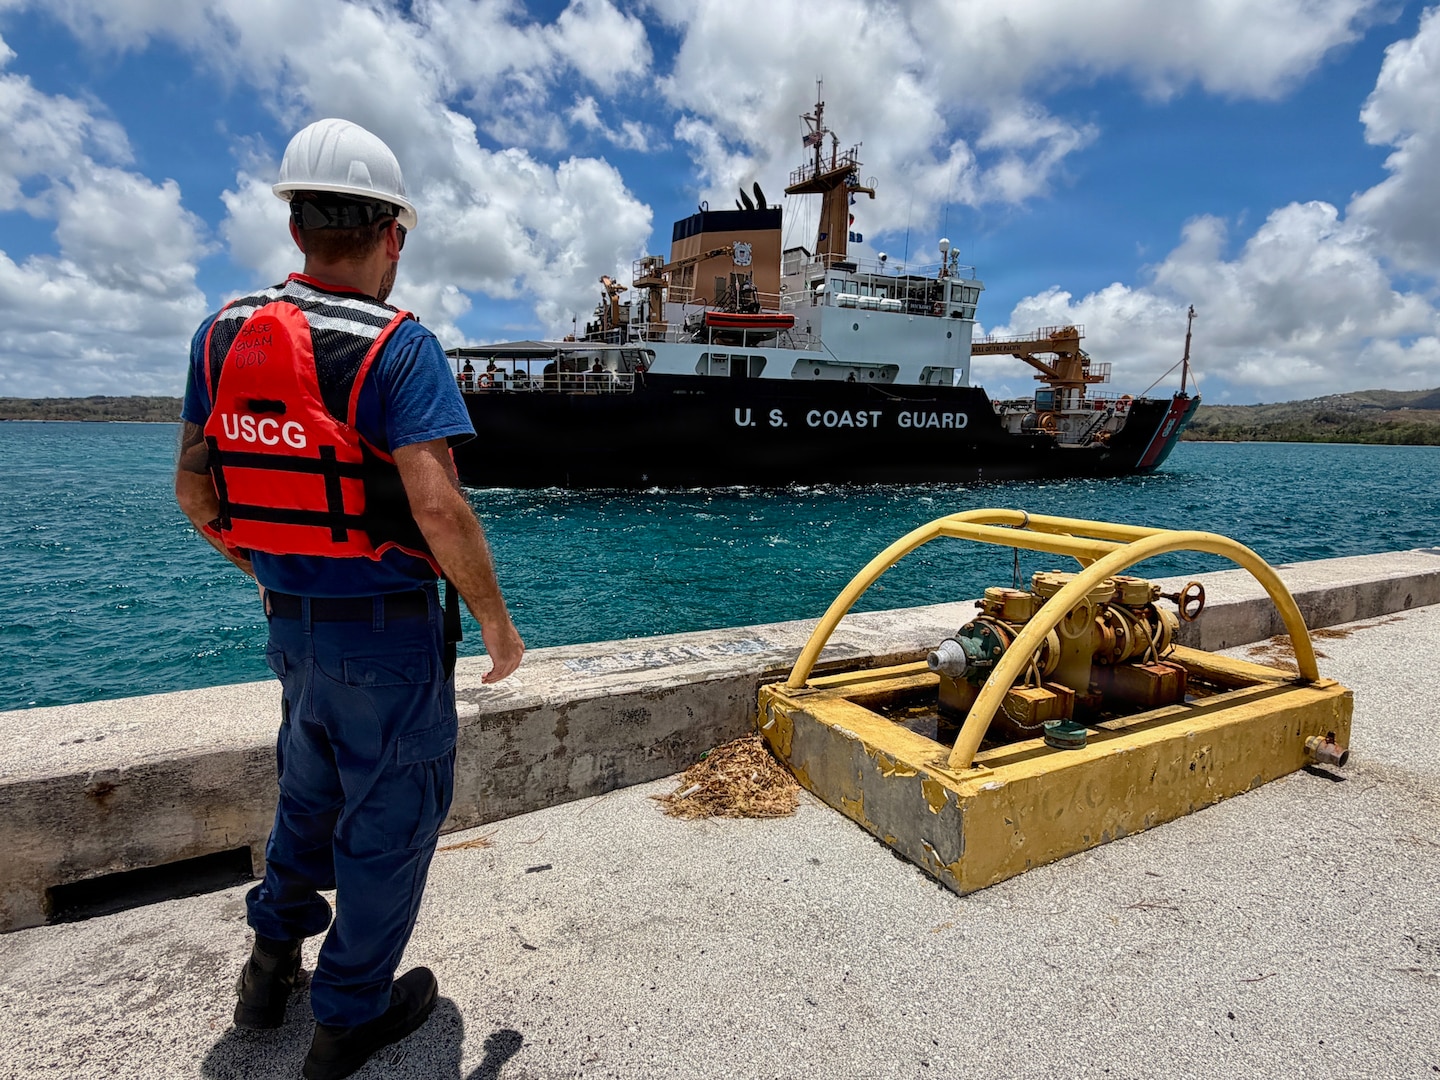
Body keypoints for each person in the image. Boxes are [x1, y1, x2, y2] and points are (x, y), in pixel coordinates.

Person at [173, 118, 524, 1080]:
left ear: (296, 230)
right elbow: (438, 506)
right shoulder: (398, 349)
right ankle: (347, 1021)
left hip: (293, 628)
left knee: (307, 796)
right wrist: (495, 618)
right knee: (388, 826)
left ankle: (267, 972)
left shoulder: (221, 334)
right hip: (389, 637)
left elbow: (194, 492)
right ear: (392, 236)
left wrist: (264, 569)